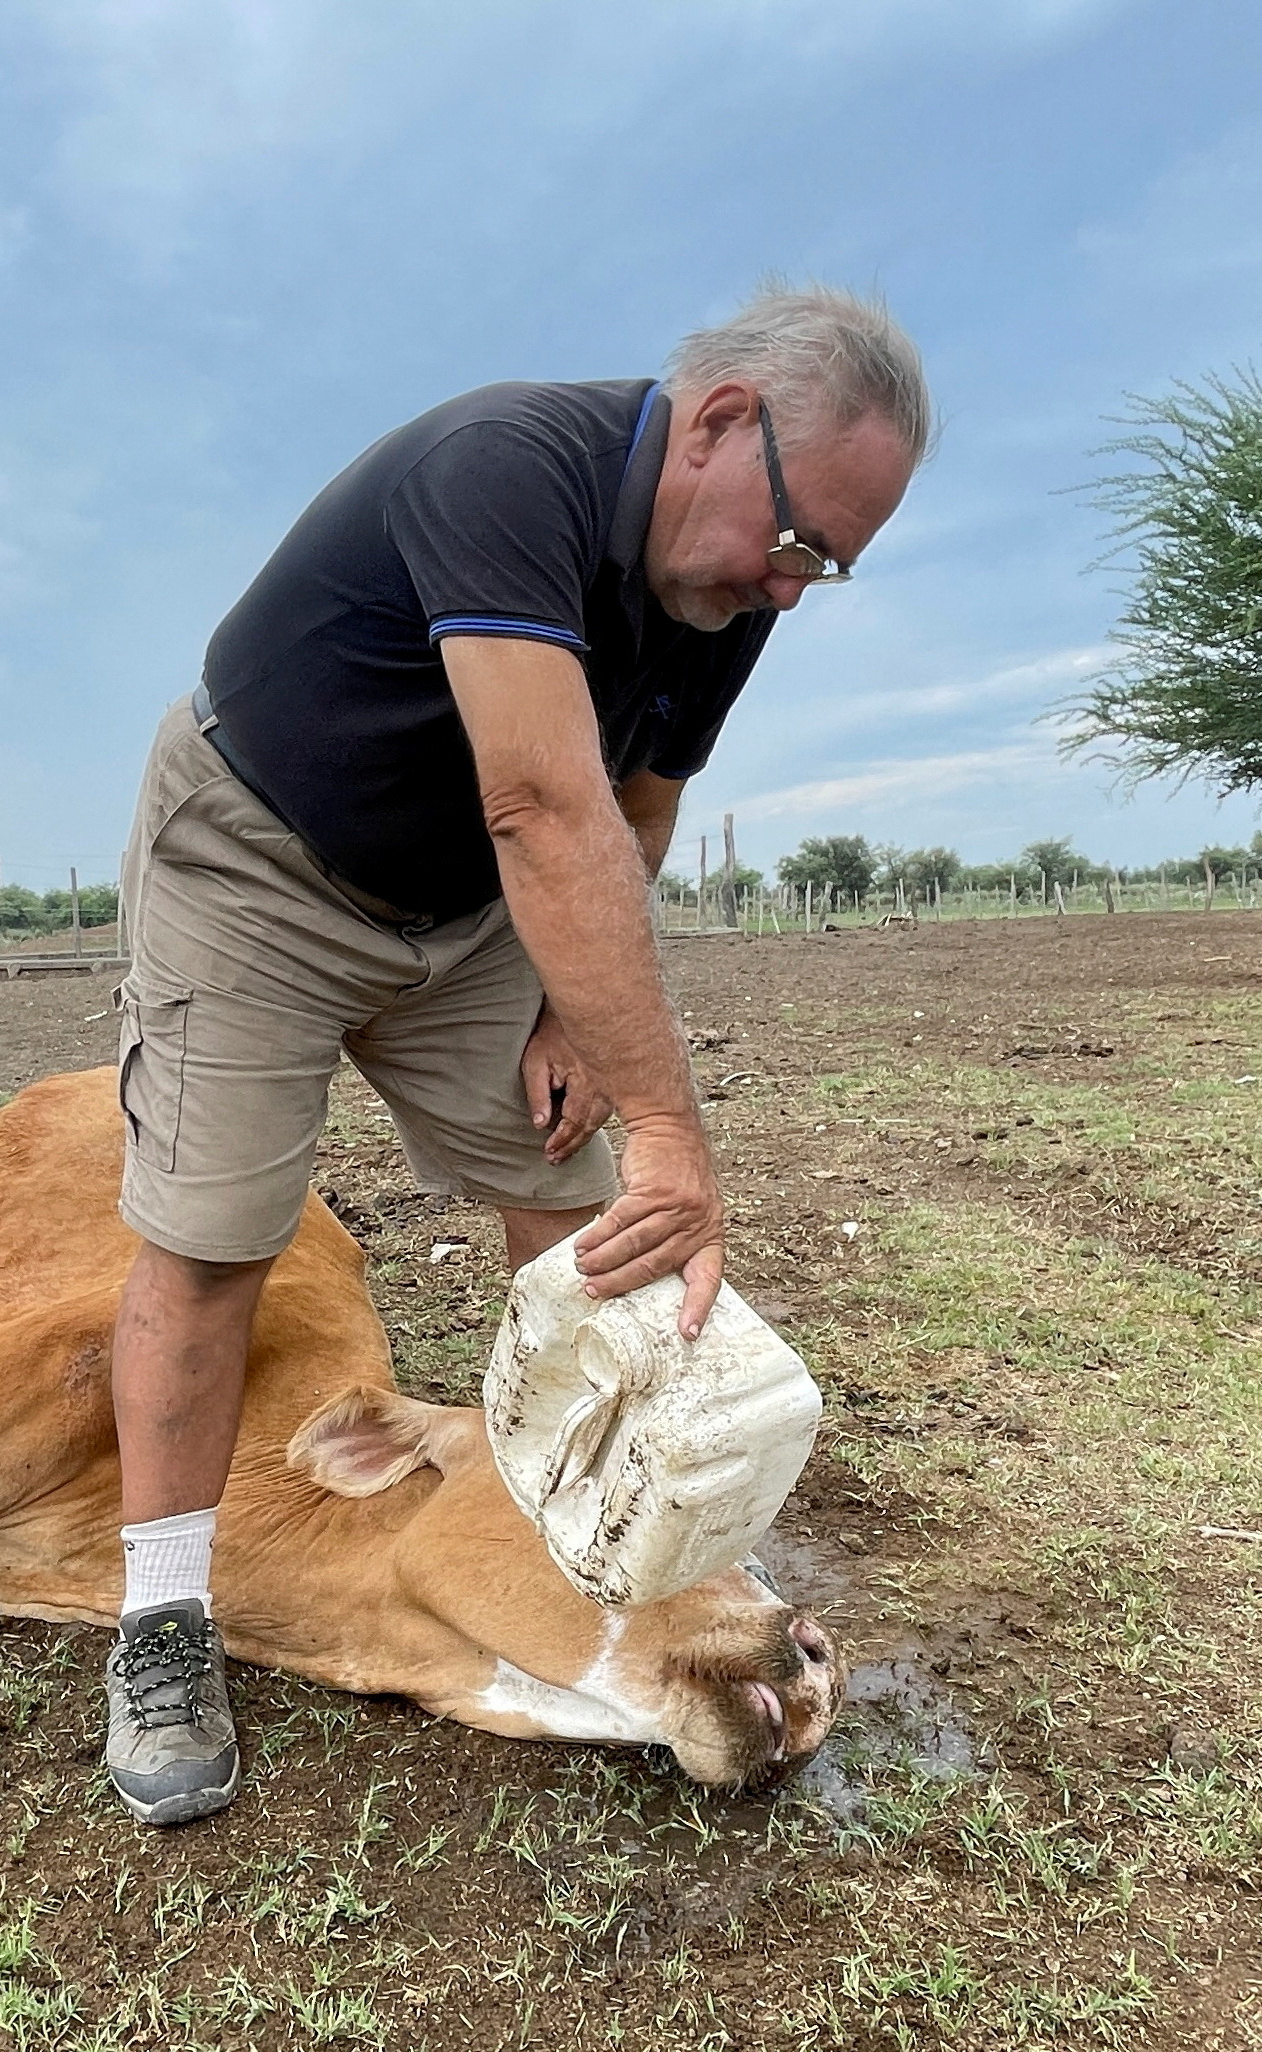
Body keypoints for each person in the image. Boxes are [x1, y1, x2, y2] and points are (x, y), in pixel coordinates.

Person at [105, 284, 930, 1825]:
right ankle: (163, 1619)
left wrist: (572, 1014)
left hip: (472, 910)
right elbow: (542, 805)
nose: (796, 587)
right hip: (260, 867)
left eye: (830, 567)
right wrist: (675, 1123)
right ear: (723, 421)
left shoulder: (720, 600)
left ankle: (609, 1541)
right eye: (803, 541)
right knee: (214, 1240)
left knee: (580, 1225)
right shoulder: (503, 469)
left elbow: (636, 806)